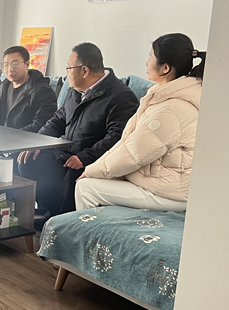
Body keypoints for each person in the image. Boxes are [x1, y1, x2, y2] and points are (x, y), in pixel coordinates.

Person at [75, 34, 205, 211]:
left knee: (86, 188)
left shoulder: (171, 109)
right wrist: (94, 169)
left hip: (170, 193)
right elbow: (126, 143)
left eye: (151, 58)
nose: (146, 63)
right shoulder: (162, 98)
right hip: (159, 182)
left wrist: (91, 172)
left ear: (165, 68)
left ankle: (87, 228)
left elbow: (133, 154)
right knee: (95, 179)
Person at [17, 42, 139, 217]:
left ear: (84, 71)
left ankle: (63, 219)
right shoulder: (75, 91)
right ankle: (53, 214)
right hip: (66, 153)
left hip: (92, 160)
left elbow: (118, 137)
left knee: (72, 174)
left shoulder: (120, 96)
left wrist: (85, 157)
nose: (67, 73)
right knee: (29, 160)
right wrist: (39, 142)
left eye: (69, 68)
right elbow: (58, 120)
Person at [0, 45, 57, 131]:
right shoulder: (4, 87)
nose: (10, 69)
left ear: (27, 64)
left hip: (25, 138)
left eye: (15, 64)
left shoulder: (42, 91)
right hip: (3, 136)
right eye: (6, 65)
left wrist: (11, 136)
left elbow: (41, 125)